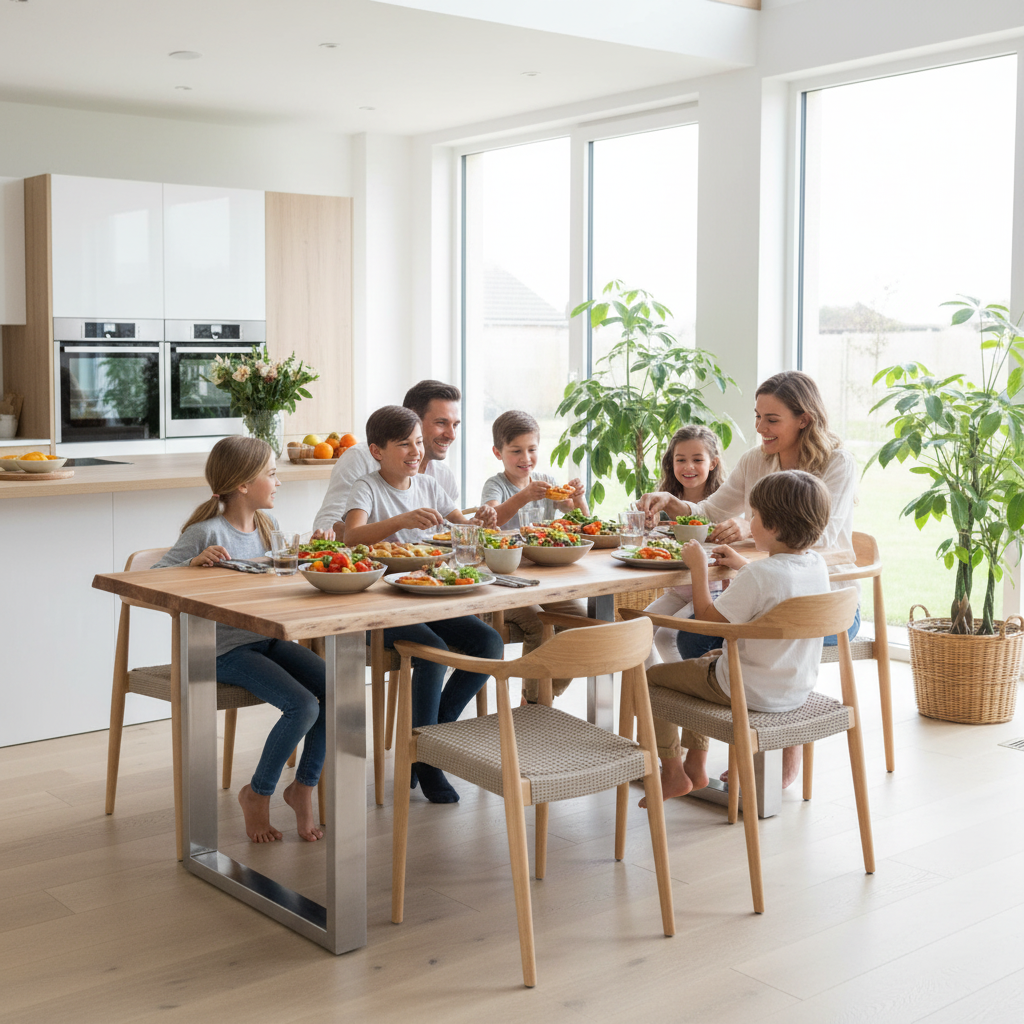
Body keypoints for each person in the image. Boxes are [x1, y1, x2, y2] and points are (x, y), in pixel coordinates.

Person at [638, 371, 859, 789]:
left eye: (771, 419)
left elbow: (822, 538)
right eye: (758, 416)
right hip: (773, 588)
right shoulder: (756, 460)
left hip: (823, 601)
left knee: (700, 640)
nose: (760, 427)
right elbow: (709, 511)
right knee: (694, 641)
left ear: (804, 419)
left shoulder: (838, 463)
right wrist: (672, 502)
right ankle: (719, 751)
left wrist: (748, 527)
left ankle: (776, 742)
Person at [153, 436, 327, 844]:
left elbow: (280, 581)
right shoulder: (205, 532)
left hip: (265, 639)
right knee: (303, 705)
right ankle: (257, 793)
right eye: (272, 474)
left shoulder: (269, 528)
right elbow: (154, 579)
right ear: (244, 484)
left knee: (338, 687)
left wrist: (313, 552)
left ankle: (302, 788)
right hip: (222, 650)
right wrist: (192, 564)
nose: (278, 482)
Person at [639, 471, 833, 806]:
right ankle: (695, 766)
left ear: (773, 526)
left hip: (747, 690)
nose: (749, 522)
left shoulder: (760, 575)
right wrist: (743, 565)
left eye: (753, 516)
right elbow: (775, 584)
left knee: (653, 678)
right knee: (703, 663)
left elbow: (708, 619)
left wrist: (699, 568)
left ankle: (672, 771)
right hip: (793, 687)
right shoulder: (817, 565)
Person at [343, 405, 504, 804]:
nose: (415, 451)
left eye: (417, 442)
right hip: (381, 604)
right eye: (404, 444)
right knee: (432, 650)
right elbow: (351, 537)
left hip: (429, 592)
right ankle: (428, 759)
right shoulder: (367, 486)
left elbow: (462, 528)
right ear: (377, 451)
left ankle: (429, 739)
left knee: (489, 643)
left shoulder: (429, 485)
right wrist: (401, 521)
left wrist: (483, 519)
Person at [481, 410, 588, 704]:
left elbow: (583, 521)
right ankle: (534, 703)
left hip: (544, 578)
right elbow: (491, 520)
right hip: (503, 583)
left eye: (532, 449)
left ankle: (539, 697)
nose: (525, 458)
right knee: (539, 624)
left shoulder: (546, 481)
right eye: (516, 451)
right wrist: (523, 496)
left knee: (582, 621)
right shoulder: (496, 485)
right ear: (498, 453)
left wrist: (578, 497)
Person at [313, 379, 496, 535]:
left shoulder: (441, 477)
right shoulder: (360, 459)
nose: (452, 435)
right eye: (441, 423)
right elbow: (329, 525)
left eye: (455, 425)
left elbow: (447, 531)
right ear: (412, 417)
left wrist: (474, 525)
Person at [642, 425, 726, 667]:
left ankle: (684, 684)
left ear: (713, 463)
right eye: (681, 460)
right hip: (678, 590)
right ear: (671, 463)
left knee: (667, 636)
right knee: (639, 630)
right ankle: (652, 686)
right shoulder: (666, 499)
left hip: (712, 591)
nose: (688, 467)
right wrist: (648, 526)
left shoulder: (724, 502)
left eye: (697, 460)